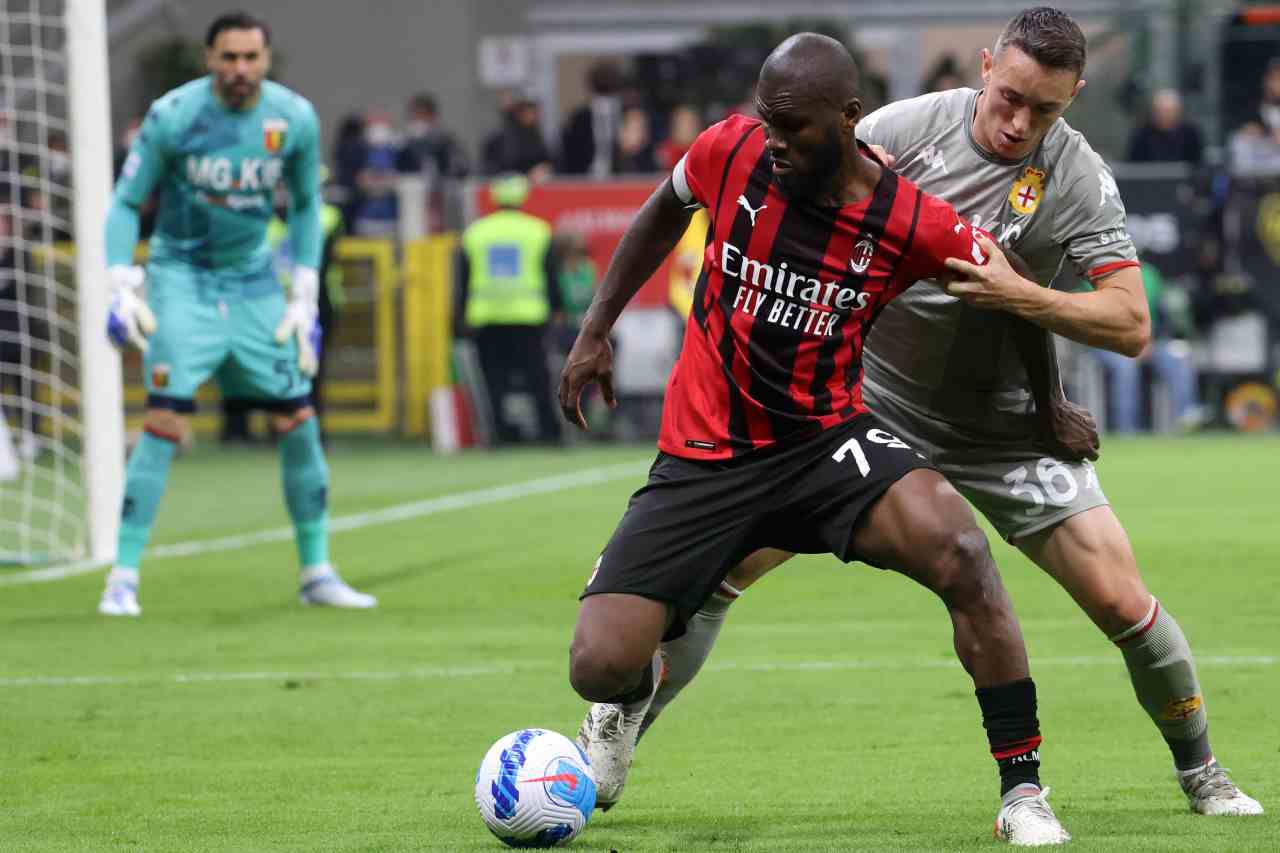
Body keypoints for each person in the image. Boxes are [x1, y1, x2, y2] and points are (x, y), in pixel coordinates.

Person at [577, 6, 1263, 821]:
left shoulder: (1078, 177)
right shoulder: (895, 133)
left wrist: (1036, 355)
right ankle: (620, 721)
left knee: (1120, 600)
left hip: (1001, 425)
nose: (1019, 122)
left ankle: (1201, 770)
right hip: (870, 407)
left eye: (1044, 110)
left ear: (1074, 98)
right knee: (723, 573)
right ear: (985, 67)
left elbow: (1132, 324)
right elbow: (787, 209)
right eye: (1009, 97)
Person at [560, 33, 1072, 845]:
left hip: (826, 445)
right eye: (767, 119)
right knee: (597, 663)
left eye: (792, 126)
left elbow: (1013, 290)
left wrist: (1049, 406)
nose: (773, 140)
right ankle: (626, 701)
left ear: (848, 118)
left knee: (963, 551)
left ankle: (1024, 790)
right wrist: (596, 329)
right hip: (705, 452)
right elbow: (663, 208)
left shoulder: (907, 219)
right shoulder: (730, 150)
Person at [97, 11, 376, 616]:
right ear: (210, 59)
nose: (240, 69)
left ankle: (317, 572)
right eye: (229, 57)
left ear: (265, 60)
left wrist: (304, 290)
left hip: (255, 285)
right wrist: (119, 280)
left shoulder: (293, 117)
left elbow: (305, 206)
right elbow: (125, 202)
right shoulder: (174, 115)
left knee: (297, 417)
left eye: (251, 57)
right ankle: (122, 575)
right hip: (182, 279)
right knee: (165, 419)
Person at [456, 174, 562, 445]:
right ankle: (549, 432)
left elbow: (462, 280)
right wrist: (556, 309)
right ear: (522, 197)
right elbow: (551, 276)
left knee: (494, 380)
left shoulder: (475, 233)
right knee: (538, 377)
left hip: (486, 317)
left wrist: (459, 317)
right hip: (529, 316)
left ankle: (500, 434)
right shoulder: (538, 231)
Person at [1092, 261, 1203, 432]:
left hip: (1147, 342)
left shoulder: (1150, 274)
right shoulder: (1095, 271)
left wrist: (1149, 341)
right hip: (1108, 343)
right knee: (1125, 365)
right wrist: (1127, 343)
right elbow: (1091, 319)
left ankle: (1187, 416)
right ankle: (1126, 430)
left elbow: (1163, 316)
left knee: (1178, 355)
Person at [1127, 89, 1203, 164]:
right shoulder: (1142, 134)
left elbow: (1198, 163)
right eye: (1159, 111)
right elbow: (1133, 165)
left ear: (1178, 111)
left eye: (1168, 111)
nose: (1164, 115)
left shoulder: (1190, 134)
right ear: (1153, 112)